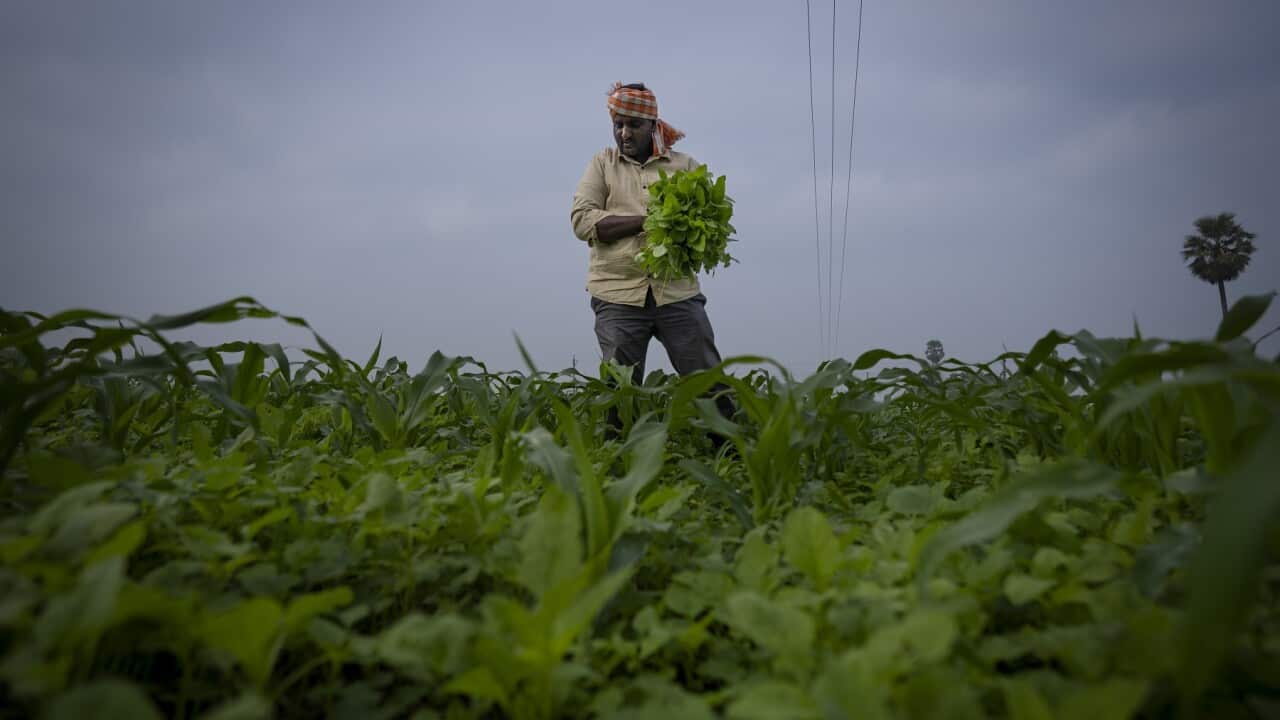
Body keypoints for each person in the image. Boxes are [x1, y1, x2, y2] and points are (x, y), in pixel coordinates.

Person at [570, 82, 735, 441]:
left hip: (676, 293)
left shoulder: (684, 165)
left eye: (633, 125)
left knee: (707, 378)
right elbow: (582, 221)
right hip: (617, 295)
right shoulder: (602, 164)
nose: (624, 133)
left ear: (652, 124)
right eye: (618, 125)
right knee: (621, 389)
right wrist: (647, 221)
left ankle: (732, 454)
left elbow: (709, 220)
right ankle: (618, 460)